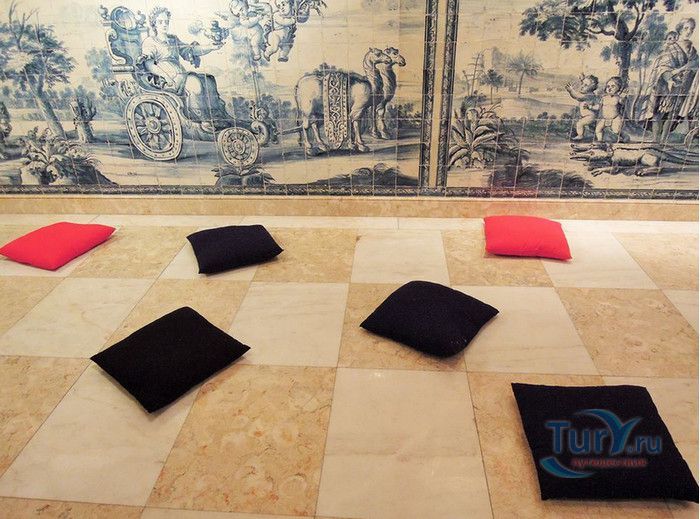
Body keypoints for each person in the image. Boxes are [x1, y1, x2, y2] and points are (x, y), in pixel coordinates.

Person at [141, 6, 228, 123]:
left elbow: (190, 50)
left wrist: (210, 47)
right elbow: (150, 65)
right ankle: (201, 121)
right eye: (160, 22)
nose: (164, 24)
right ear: (154, 24)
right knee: (194, 83)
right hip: (165, 80)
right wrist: (166, 76)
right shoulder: (150, 42)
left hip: (180, 75)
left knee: (208, 81)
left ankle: (217, 116)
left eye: (166, 21)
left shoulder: (173, 39)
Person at [640, 30, 689, 142]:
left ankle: (662, 140)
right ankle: (655, 139)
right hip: (662, 88)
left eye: (674, 37)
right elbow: (661, 69)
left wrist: (676, 77)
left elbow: (684, 68)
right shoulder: (664, 52)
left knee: (670, 115)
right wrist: (669, 79)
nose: (672, 40)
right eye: (669, 38)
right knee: (657, 114)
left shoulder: (680, 51)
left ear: (677, 38)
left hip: (675, 88)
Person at [565, 74, 599, 140]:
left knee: (579, 124)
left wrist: (571, 90)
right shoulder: (588, 93)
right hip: (586, 116)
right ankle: (590, 135)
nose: (582, 86)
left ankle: (580, 136)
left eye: (586, 85)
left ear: (591, 88)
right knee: (581, 124)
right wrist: (582, 79)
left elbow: (577, 96)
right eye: (582, 83)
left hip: (590, 116)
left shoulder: (589, 95)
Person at [596, 76, 628, 142]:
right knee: (598, 129)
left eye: (613, 86)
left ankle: (624, 137)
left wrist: (624, 97)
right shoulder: (604, 98)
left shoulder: (618, 98)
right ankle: (600, 140)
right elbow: (598, 107)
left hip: (615, 118)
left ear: (618, 88)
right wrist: (590, 107)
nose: (609, 88)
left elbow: (623, 103)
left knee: (616, 131)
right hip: (605, 118)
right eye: (608, 86)